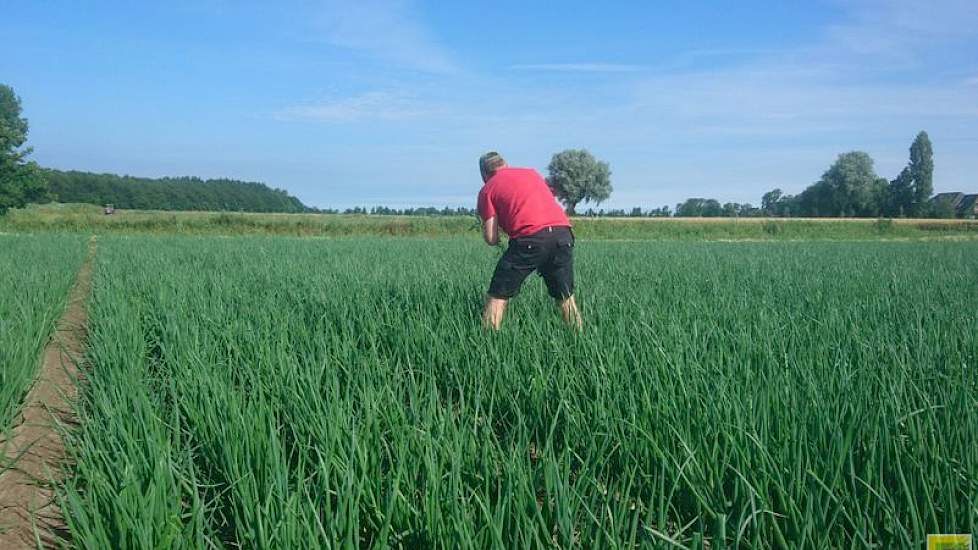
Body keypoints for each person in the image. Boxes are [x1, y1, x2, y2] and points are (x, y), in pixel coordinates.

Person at [476, 151, 583, 331]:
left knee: (498, 294)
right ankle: (580, 337)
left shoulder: (488, 189)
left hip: (531, 239)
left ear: (484, 175)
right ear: (505, 165)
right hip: (563, 234)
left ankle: (486, 341)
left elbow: (491, 238)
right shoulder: (531, 174)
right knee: (565, 296)